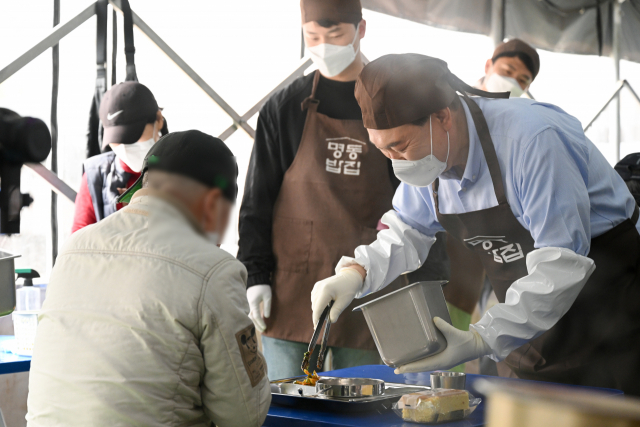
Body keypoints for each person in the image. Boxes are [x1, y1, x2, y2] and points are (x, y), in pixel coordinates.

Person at [311, 53, 640, 395]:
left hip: (608, 305)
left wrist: (484, 336)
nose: (396, 162)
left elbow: (562, 265)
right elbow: (408, 230)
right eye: (384, 150)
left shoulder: (533, 141)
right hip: (527, 323)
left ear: (442, 117)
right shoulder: (429, 161)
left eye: (400, 146)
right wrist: (357, 272)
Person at [27, 130, 271, 426]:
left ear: (144, 183)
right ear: (214, 201)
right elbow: (243, 414)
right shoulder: (214, 270)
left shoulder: (74, 249)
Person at [238, 0, 409, 380]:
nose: (324, 46)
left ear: (360, 30)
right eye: (312, 37)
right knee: (287, 403)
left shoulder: (392, 104)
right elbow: (256, 202)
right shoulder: (284, 108)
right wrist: (256, 275)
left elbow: (414, 208)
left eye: (334, 35)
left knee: (365, 402)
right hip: (291, 287)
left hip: (369, 284)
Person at [72, 81, 165, 232]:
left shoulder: (185, 169)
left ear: (159, 120)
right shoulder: (96, 175)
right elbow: (78, 244)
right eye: (117, 139)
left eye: (133, 135)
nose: (125, 146)